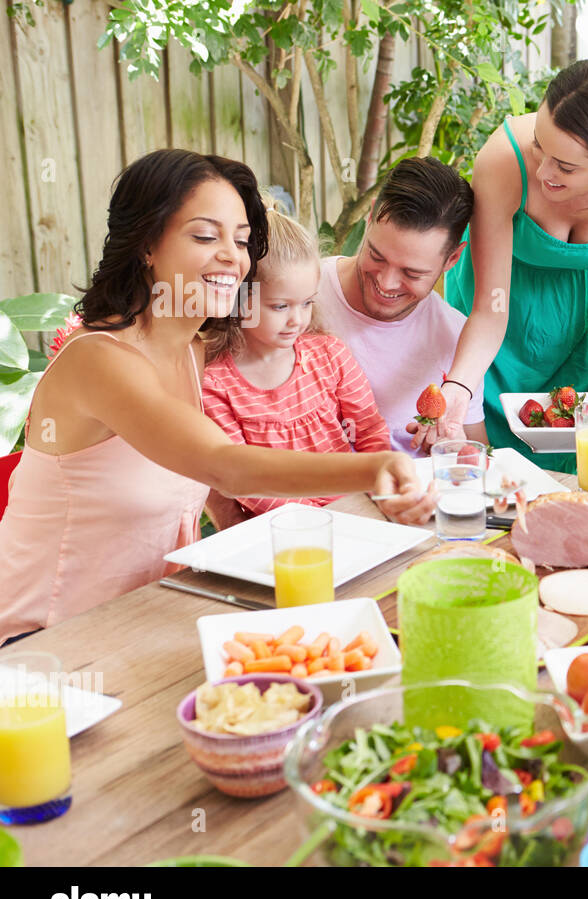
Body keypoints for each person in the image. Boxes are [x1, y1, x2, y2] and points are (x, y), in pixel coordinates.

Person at [0, 149, 433, 642]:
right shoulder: (97, 361)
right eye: (206, 235)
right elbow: (221, 464)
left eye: (243, 240)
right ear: (146, 243)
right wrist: (373, 468)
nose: (233, 255)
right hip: (43, 639)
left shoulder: (193, 350)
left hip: (144, 620)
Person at [442, 57, 588, 470]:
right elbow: (490, 307)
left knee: (579, 475)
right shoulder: (505, 161)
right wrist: (459, 388)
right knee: (485, 474)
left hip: (582, 333)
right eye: (540, 145)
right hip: (496, 325)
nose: (542, 171)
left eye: (566, 166)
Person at [201, 200, 391, 526]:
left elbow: (369, 429)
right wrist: (312, 518)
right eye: (280, 306)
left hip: (354, 505)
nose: (297, 320)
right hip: (279, 524)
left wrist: (383, 490)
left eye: (306, 303)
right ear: (238, 299)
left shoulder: (330, 355)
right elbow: (243, 478)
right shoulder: (215, 384)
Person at [314, 156, 488, 455]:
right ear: (370, 219)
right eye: (377, 256)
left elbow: (479, 454)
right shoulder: (299, 295)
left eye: (412, 273)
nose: (387, 282)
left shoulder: (457, 337)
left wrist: (454, 448)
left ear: (452, 259)